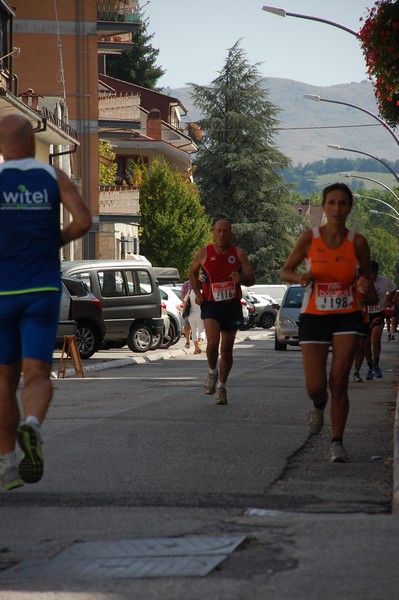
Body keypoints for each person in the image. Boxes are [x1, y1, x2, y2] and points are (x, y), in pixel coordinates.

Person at [0, 114, 91, 491]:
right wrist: (54, 241)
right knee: (37, 374)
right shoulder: (53, 178)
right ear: (31, 143)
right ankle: (32, 424)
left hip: (2, 292)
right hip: (42, 289)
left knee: (3, 380)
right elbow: (83, 221)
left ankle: (7, 464)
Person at [280, 183, 372, 463]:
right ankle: (318, 404)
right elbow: (286, 270)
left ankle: (337, 442)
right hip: (314, 316)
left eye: (342, 203)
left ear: (349, 208)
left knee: (339, 381)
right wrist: (300, 279)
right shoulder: (310, 238)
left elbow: (366, 285)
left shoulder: (357, 242)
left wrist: (363, 287)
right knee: (316, 385)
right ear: (324, 205)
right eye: (331, 203)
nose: (336, 208)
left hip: (346, 315)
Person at [189, 219, 256, 405]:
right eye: (219, 231)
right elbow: (192, 273)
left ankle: (221, 386)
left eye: (226, 231)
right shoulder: (204, 253)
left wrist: (240, 278)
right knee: (213, 342)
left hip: (232, 305)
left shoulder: (239, 253)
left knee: (226, 351)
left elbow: (251, 279)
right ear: (213, 232)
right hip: (211, 304)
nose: (222, 234)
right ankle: (212, 372)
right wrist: (197, 293)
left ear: (231, 234)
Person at [363, 260, 396, 380]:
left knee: (376, 339)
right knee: (367, 343)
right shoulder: (362, 281)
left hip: (378, 313)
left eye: (374, 275)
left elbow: (393, 290)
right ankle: (370, 366)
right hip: (366, 315)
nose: (372, 277)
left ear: (377, 273)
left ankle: (376, 364)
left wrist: (389, 300)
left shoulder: (385, 281)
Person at [183, 285, 206, 354]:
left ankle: (196, 349)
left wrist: (183, 313)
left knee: (194, 331)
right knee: (201, 330)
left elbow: (185, 302)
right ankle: (199, 343)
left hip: (191, 314)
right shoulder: (203, 292)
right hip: (201, 314)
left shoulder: (190, 292)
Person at [180, 280, 192, 349]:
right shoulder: (200, 282)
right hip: (198, 307)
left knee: (187, 326)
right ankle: (197, 344)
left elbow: (182, 295)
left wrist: (185, 302)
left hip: (188, 307)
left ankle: (188, 342)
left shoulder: (186, 283)